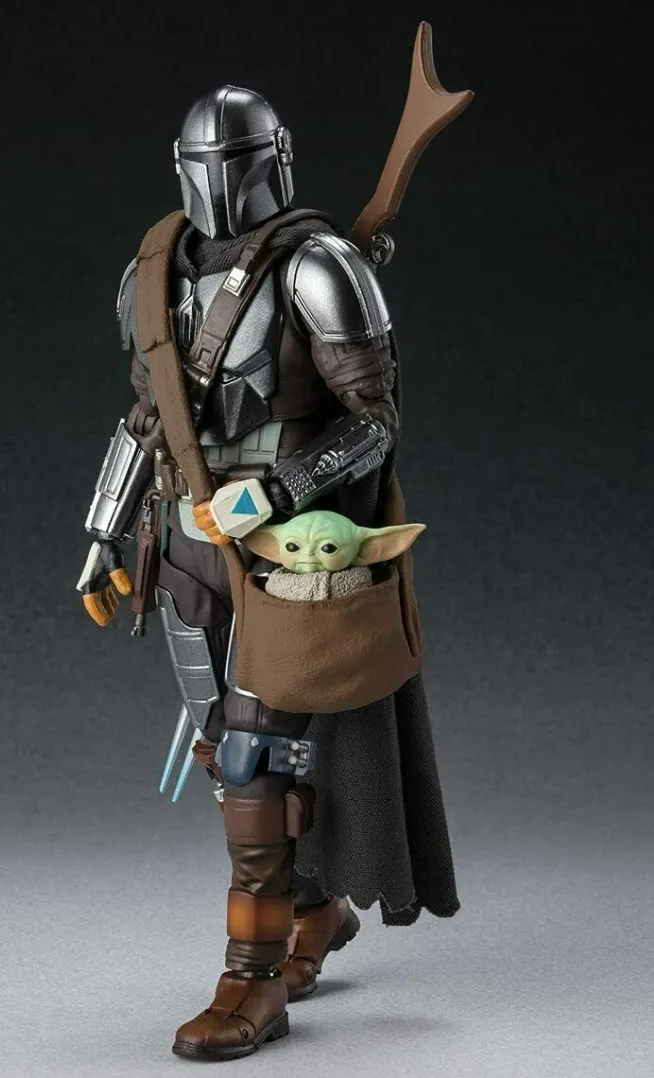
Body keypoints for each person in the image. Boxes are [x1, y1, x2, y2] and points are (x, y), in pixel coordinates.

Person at [76, 84, 459, 1062]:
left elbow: (373, 426)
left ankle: (251, 980)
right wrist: (103, 532)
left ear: (272, 164)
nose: (218, 185)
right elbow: (148, 420)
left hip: (286, 554)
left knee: (255, 760)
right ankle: (315, 909)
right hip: (183, 548)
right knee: (226, 754)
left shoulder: (319, 268)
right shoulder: (150, 275)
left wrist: (276, 492)